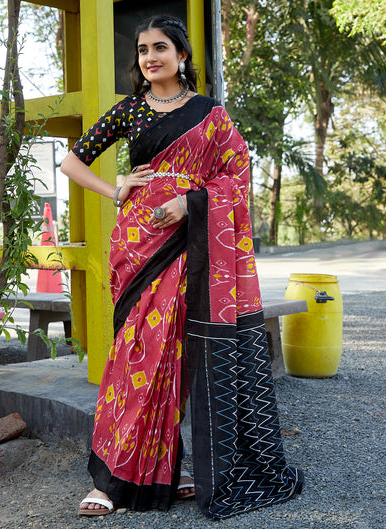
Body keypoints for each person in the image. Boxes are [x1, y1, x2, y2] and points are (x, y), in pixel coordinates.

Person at [61, 14, 304, 520]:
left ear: (182, 55)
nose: (149, 57)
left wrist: (191, 200)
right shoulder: (129, 110)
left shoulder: (209, 114)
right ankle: (109, 479)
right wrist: (116, 188)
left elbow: (238, 174)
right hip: (139, 244)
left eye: (160, 48)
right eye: (143, 50)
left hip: (190, 241)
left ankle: (161, 471)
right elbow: (72, 161)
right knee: (134, 354)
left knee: (173, 359)